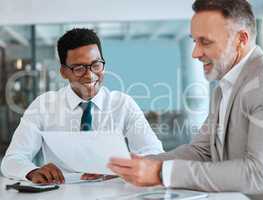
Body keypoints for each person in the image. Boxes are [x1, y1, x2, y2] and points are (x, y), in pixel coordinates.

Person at [108, 0, 263, 200]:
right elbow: (201, 150)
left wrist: (161, 173)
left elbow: (259, 174)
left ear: (241, 39)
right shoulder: (224, 86)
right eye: (194, 41)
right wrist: (128, 166)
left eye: (205, 42)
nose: (195, 53)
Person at [1, 28, 163, 184]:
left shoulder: (123, 104)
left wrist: (123, 165)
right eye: (79, 68)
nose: (90, 75)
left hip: (115, 192)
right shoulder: (43, 106)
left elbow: (154, 154)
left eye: (96, 65)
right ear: (64, 72)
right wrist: (31, 171)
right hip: (62, 193)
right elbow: (12, 160)